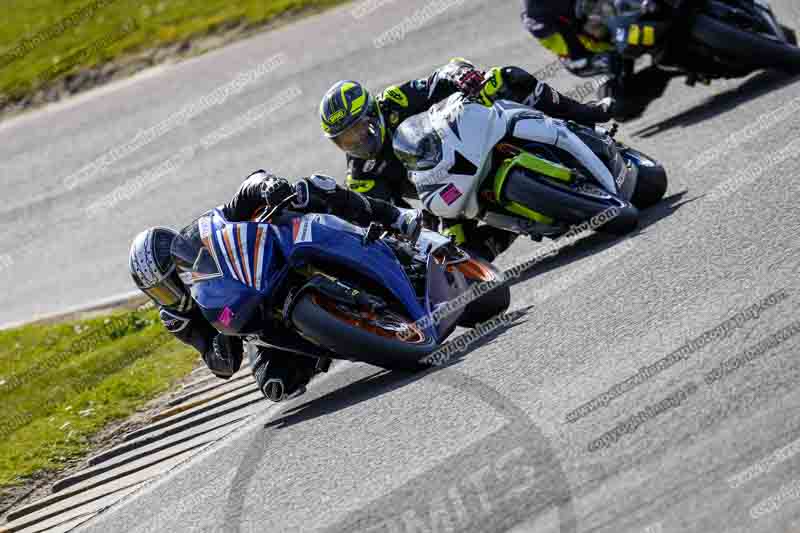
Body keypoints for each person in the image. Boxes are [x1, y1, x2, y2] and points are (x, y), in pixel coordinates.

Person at [129, 171, 423, 402]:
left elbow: (241, 198)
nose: (173, 290)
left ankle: (394, 217)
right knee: (277, 385)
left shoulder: (199, 234)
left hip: (266, 261)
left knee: (309, 189)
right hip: (256, 320)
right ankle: (333, 336)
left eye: (173, 278)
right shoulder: (177, 318)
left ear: (179, 258)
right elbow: (219, 363)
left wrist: (266, 185)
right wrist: (222, 338)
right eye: (162, 291)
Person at [319, 58, 614, 260]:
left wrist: (461, 75)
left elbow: (440, 76)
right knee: (459, 257)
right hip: (444, 195)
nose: (356, 142)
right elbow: (393, 217)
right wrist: (423, 232)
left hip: (464, 142)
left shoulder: (394, 101)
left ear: (372, 112)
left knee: (504, 77)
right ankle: (508, 230)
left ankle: (586, 117)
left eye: (358, 129)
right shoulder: (361, 176)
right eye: (345, 140)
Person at [521, 0, 675, 119]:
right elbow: (576, 62)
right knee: (617, 106)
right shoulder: (539, 16)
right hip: (617, 36)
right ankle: (666, 68)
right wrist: (604, 58)